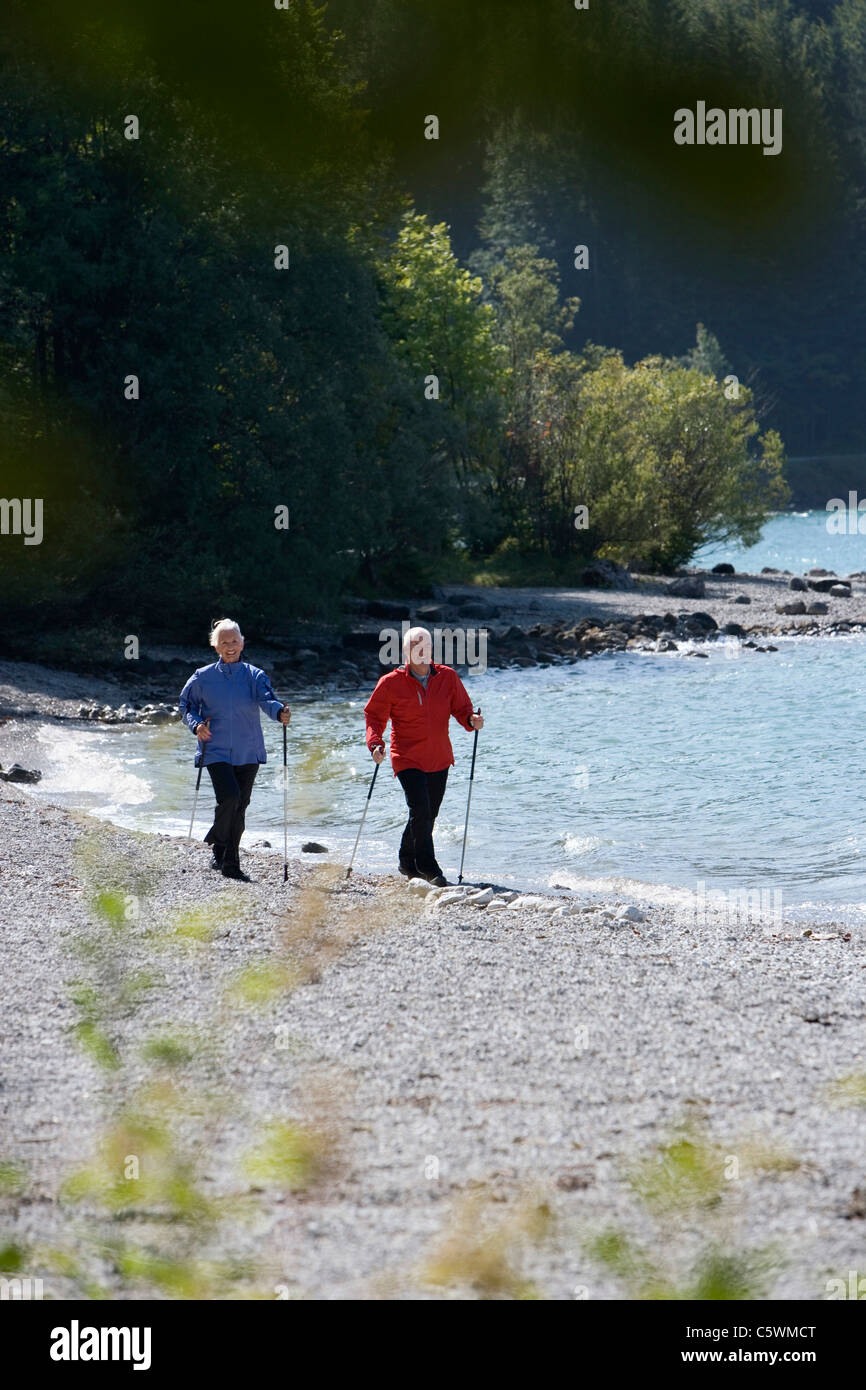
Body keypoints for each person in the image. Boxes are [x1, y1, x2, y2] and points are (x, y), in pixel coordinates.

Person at [364, 626, 484, 886]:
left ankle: (407, 860)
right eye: (415, 647)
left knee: (429, 814)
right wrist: (375, 744)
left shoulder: (447, 677)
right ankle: (429, 868)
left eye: (425, 647)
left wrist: (471, 719)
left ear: (431, 650)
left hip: (439, 756)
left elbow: (462, 708)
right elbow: (374, 716)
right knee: (420, 810)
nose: (421, 652)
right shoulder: (391, 683)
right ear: (406, 651)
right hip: (406, 757)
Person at [178, 619, 291, 881]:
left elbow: (268, 701)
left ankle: (223, 851)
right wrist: (196, 726)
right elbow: (186, 706)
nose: (230, 646)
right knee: (230, 798)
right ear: (215, 645)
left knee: (240, 806)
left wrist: (280, 713)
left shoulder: (255, 676)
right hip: (215, 749)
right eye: (224, 642)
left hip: (248, 751)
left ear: (242, 643)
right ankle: (231, 864)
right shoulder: (202, 677)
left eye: (234, 641)